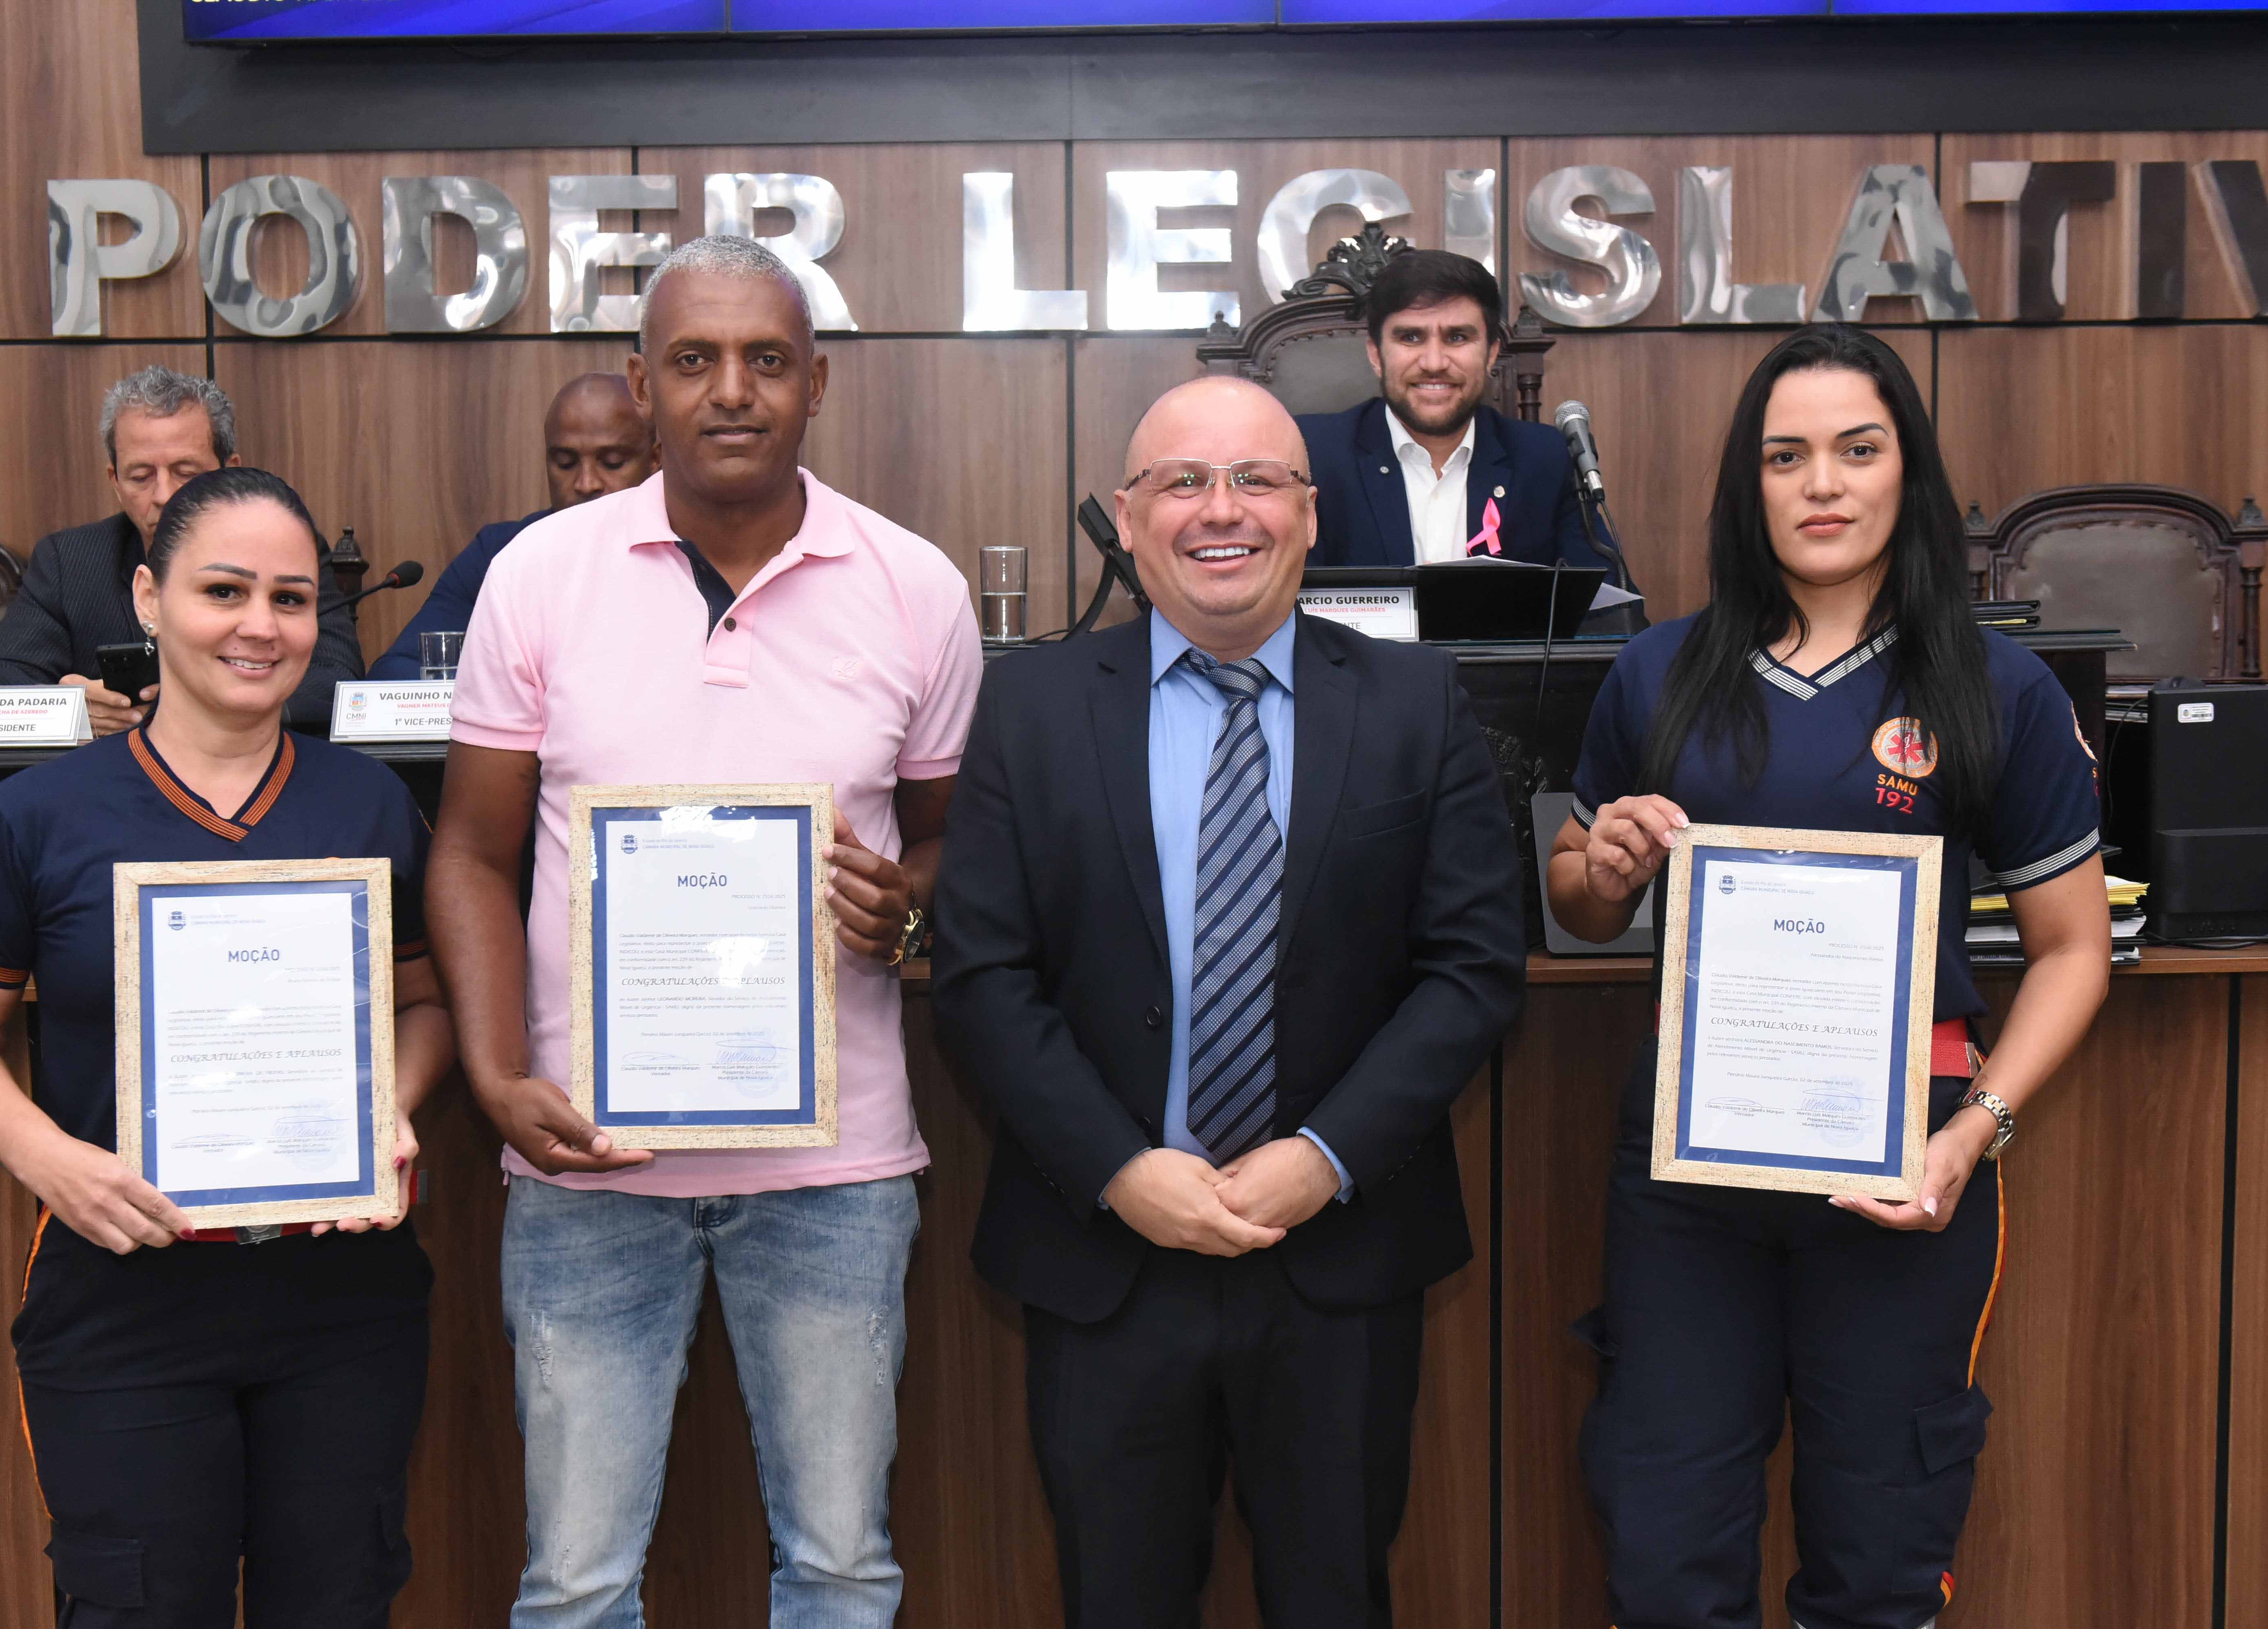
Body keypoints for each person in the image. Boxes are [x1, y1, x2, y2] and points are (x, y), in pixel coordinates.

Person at [425, 234, 980, 1629]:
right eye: (694, 360)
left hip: (835, 1171)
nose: (732, 390)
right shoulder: (539, 577)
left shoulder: (914, 586)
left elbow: (955, 843)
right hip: (588, 1163)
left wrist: (905, 898)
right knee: (574, 1581)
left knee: (842, 1566)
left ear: (817, 384)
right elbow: (471, 851)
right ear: (644, 385)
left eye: (766, 360)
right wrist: (497, 1080)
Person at [932, 375, 1528, 1629]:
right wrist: (1118, 1167)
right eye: (1182, 483)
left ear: (1310, 516)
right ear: (1127, 518)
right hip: (1106, 1257)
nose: (1223, 510)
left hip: (1338, 1258)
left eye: (1257, 480)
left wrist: (1325, 1156)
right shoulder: (1030, 708)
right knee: (1119, 1602)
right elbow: (983, 976)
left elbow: (1471, 969)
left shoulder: (1416, 706)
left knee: (1333, 1600)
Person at [1545, 324, 2111, 1629]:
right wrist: (1607, 863)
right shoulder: (1658, 669)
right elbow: (1575, 903)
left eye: (1857, 451)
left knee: (1879, 1556)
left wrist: (1978, 1133)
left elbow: (2072, 949)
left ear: (1904, 472)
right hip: (1690, 1182)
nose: (1821, 484)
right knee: (1667, 1546)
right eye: (1784, 456)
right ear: (1746, 486)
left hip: (1906, 1172)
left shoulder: (1991, 683)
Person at [0, 466, 454, 1628]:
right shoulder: (35, 815)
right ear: (150, 601)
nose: (262, 626)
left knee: (340, 1600)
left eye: (294, 599)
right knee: (141, 1608)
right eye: (225, 590)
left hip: (341, 1304)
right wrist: (50, 1159)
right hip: (121, 1301)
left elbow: (426, 1005)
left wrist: (392, 1110)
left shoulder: (369, 806)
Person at [0, 365, 364, 731]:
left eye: (185, 473)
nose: (164, 495)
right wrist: (67, 709)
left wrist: (200, 710)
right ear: (115, 481)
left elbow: (337, 684)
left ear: (229, 470)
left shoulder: (286, 551)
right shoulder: (70, 560)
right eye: (140, 476)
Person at [1298, 249, 1594, 571]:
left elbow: (1609, 604)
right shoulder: (1312, 454)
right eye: (1411, 337)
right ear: (1376, 355)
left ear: (1491, 353)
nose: (1434, 363)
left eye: (1457, 337)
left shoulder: (1546, 458)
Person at [366, 373, 655, 680]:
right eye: (565, 463)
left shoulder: (695, 552)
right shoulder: (502, 551)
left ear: (656, 460)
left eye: (611, 462)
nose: (586, 484)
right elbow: (400, 672)